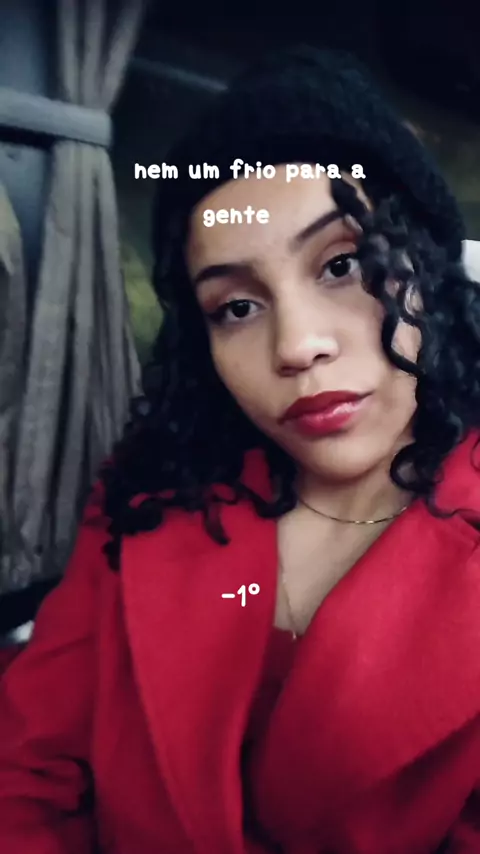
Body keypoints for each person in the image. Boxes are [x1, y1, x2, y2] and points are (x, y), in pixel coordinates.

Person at [0, 45, 480, 854]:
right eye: (237, 307)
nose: (296, 345)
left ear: (427, 272)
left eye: (343, 263)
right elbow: (26, 772)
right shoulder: (147, 494)